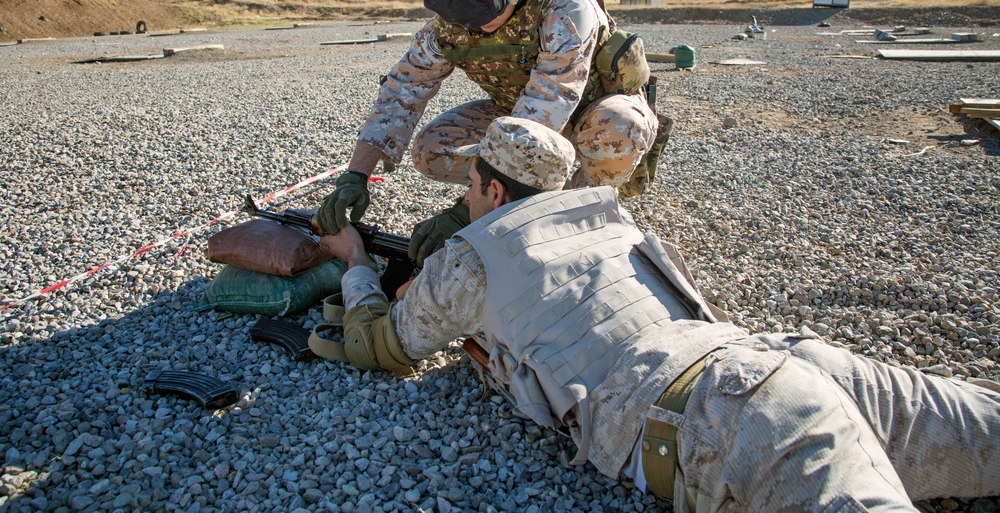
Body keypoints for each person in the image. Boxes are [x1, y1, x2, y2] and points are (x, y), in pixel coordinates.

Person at [317, 116, 1000, 513]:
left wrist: (354, 262)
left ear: (493, 189)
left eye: (469, 188)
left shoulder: (472, 256)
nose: (465, 202)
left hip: (725, 413)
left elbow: (384, 345)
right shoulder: (609, 219)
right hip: (772, 358)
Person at [313, 0, 665, 265]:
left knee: (621, 125)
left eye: (482, 7)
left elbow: (541, 115)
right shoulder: (450, 25)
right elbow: (401, 93)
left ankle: (576, 215)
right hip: (519, 112)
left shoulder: (564, 7)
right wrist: (356, 176)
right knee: (432, 149)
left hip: (587, 116)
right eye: (455, 6)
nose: (471, 23)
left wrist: (467, 212)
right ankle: (515, 200)